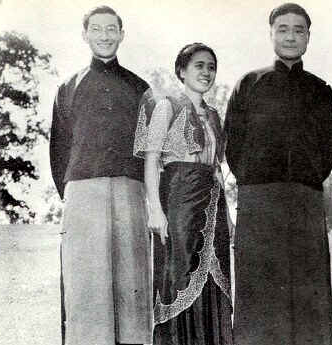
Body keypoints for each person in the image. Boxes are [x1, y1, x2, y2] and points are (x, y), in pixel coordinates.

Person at [224, 3, 332, 345]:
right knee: (260, 295)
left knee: (308, 293)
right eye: (283, 29)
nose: (291, 36)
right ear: (271, 34)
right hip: (259, 202)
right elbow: (233, 143)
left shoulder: (321, 89)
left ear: (308, 37)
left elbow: (327, 147)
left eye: (298, 29)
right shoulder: (250, 83)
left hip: (305, 200)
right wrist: (254, 180)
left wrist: (308, 178)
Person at [49, 5, 152, 345]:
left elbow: (152, 151)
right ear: (85, 35)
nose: (105, 36)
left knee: (131, 288)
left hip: (130, 191)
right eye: (97, 29)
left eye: (112, 29)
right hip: (83, 194)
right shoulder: (69, 86)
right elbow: (59, 147)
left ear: (122, 34)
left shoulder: (141, 88)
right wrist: (75, 193)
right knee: (87, 287)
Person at [133, 43, 233, 345]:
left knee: (216, 281)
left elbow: (216, 168)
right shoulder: (167, 106)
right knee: (179, 276)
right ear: (182, 71)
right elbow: (151, 160)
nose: (206, 72)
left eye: (211, 67)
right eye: (199, 65)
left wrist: (227, 216)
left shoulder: (215, 115)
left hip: (213, 204)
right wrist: (155, 211)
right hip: (178, 201)